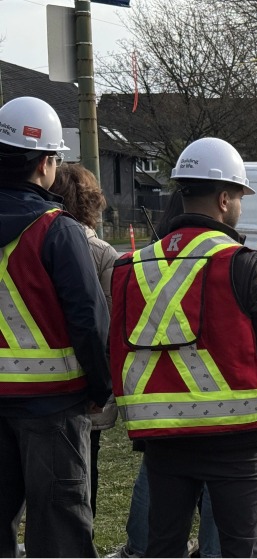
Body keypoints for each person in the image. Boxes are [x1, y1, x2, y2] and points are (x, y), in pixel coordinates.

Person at [110, 137, 257, 557]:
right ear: (226, 198)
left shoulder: (130, 267)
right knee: (240, 549)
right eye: (241, 197)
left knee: (164, 546)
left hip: (163, 438)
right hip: (239, 440)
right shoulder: (246, 265)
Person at [0, 96, 111, 557]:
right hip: (53, 407)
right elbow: (88, 319)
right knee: (60, 529)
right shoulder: (56, 230)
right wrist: (99, 387)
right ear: (46, 162)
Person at [112, 187, 222, 559]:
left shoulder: (141, 264)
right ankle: (211, 551)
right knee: (216, 483)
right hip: (212, 392)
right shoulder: (220, 260)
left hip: (157, 395)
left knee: (154, 476)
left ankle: (140, 546)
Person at [50, 163, 119, 522]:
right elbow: (106, 323)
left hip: (30, 379)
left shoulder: (29, 240)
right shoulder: (103, 253)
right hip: (82, 379)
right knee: (82, 468)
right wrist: (103, 385)